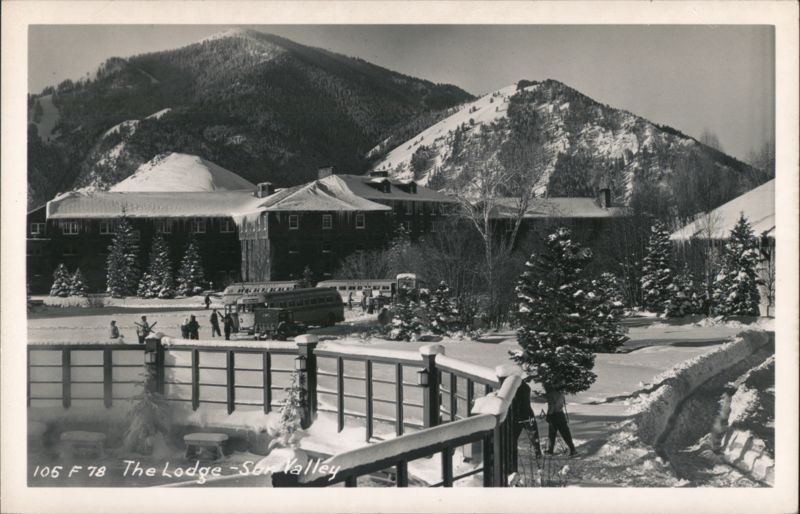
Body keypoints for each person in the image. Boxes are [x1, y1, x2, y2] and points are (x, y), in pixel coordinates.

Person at [544, 385, 577, 457]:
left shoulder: (550, 394)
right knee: (565, 433)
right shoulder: (561, 393)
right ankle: (572, 449)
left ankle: (550, 450)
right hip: (561, 415)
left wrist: (548, 416)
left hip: (554, 416)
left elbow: (551, 407)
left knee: (552, 434)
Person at [513, 381, 542, 458]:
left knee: (513, 436)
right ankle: (538, 452)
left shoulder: (516, 388)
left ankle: (512, 453)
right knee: (533, 434)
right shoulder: (526, 387)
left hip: (519, 415)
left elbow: (517, 402)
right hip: (528, 414)